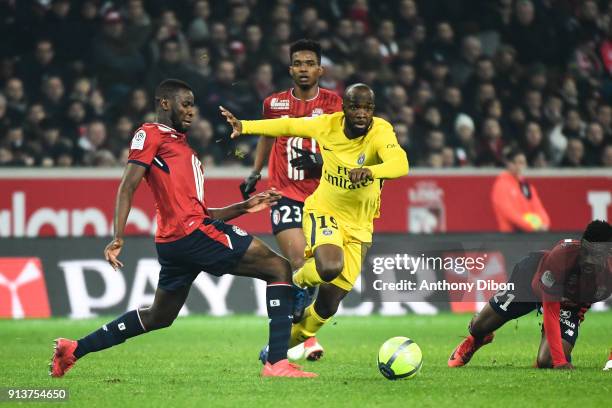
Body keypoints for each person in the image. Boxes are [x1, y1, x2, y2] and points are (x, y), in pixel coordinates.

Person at [49, 79, 316, 379]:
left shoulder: (182, 148)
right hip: (191, 235)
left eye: (193, 105)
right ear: (165, 103)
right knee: (279, 268)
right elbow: (128, 186)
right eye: (185, 104)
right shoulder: (150, 133)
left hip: (178, 240)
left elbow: (201, 213)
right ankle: (277, 363)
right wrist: (117, 236)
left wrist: (244, 206)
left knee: (159, 315)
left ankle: (73, 349)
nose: (192, 111)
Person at [221, 83, 409, 362]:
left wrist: (370, 170)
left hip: (360, 226)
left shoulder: (381, 131)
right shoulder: (326, 125)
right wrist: (245, 126)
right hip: (325, 211)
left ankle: (279, 348)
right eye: (355, 106)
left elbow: (400, 164)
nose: (361, 113)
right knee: (330, 266)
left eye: (367, 108)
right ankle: (298, 280)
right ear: (344, 108)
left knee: (327, 306)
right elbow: (286, 128)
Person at [240, 39, 342, 360]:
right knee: (299, 262)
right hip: (285, 195)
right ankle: (306, 340)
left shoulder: (334, 103)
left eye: (309, 63)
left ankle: (302, 328)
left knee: (323, 271)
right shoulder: (275, 104)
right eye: (298, 63)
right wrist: (255, 173)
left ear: (320, 69)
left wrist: (321, 163)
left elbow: (344, 148)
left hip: (323, 201)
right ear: (290, 69)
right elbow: (267, 136)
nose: (303, 68)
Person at [448, 220, 612, 369]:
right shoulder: (562, 255)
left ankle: (552, 346)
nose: (589, 260)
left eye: (597, 255)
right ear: (582, 245)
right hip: (529, 284)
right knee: (478, 326)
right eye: (586, 252)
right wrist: (561, 362)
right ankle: (477, 340)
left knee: (547, 361)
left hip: (569, 305)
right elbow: (551, 309)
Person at [491, 148, 550, 232]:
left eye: (524, 163)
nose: (522, 166)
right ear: (510, 164)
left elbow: (538, 207)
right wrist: (530, 227)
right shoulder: (501, 186)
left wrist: (545, 223)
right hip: (510, 238)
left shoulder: (526, 186)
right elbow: (508, 212)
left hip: (531, 236)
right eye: (519, 162)